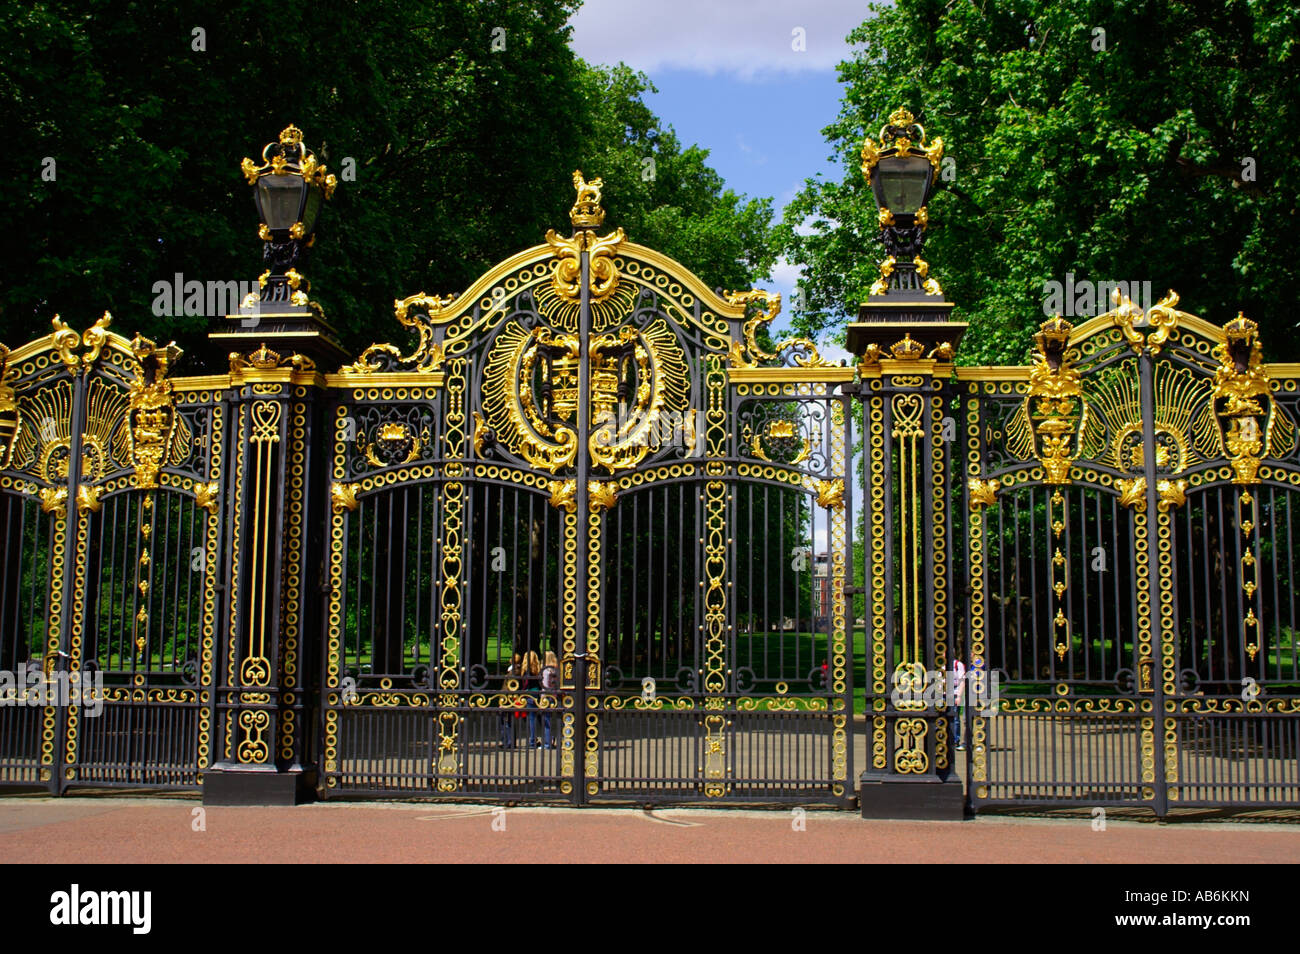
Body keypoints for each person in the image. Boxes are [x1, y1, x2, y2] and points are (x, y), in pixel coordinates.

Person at [499, 652, 521, 747]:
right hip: (510, 699)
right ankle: (509, 741)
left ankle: (507, 742)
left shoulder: (512, 672)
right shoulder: (516, 671)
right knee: (509, 721)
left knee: (505, 721)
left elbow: (507, 688)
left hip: (507, 699)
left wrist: (502, 701)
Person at [521, 650, 542, 748]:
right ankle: (546, 738)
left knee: (531, 718)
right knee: (538, 717)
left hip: (529, 694)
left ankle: (533, 740)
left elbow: (525, 684)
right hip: (537, 693)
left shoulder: (526, 670)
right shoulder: (538, 669)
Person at [540, 650, 560, 749]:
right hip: (555, 695)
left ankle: (547, 742)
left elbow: (545, 685)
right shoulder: (556, 669)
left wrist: (542, 697)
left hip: (546, 696)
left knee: (546, 720)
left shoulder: (546, 670)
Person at [950, 655, 967, 752]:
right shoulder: (941, 663)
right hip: (944, 694)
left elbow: (962, 680)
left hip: (954, 693)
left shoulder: (957, 664)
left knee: (955, 718)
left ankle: (955, 740)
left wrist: (959, 695)